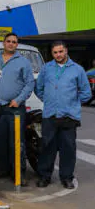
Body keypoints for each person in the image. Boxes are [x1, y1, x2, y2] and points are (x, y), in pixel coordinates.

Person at [35, 41, 91, 189]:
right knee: (47, 147)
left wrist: (73, 103)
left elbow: (86, 93)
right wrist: (48, 99)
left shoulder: (77, 70)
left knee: (68, 148)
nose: (58, 55)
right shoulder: (46, 68)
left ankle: (66, 177)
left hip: (69, 116)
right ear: (52, 54)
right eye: (55, 52)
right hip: (50, 115)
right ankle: (44, 176)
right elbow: (39, 88)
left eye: (61, 51)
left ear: (66, 51)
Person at [0, 33, 34, 185]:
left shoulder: (23, 62)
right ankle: (3, 169)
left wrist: (19, 100)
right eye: (8, 41)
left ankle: (18, 173)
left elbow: (29, 84)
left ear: (17, 44)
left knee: (16, 142)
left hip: (15, 108)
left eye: (14, 42)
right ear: (3, 43)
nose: (10, 44)